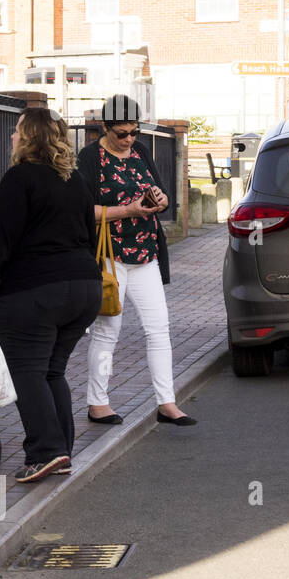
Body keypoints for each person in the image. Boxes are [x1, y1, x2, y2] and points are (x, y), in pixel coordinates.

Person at [0, 108, 103, 483]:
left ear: (29, 137)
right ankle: (61, 452)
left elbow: (1, 242)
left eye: (16, 130)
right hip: (84, 290)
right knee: (51, 371)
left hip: (34, 292)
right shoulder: (76, 181)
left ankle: (45, 452)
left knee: (27, 372)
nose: (11, 136)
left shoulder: (19, 178)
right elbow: (89, 237)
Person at [77, 95, 196, 427]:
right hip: (109, 256)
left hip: (146, 254)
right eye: (122, 134)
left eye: (134, 132)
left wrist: (160, 199)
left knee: (159, 328)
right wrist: (127, 210)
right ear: (105, 128)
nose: (129, 139)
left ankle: (167, 403)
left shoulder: (140, 152)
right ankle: (97, 403)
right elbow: (83, 211)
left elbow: (162, 192)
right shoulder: (90, 157)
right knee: (107, 330)